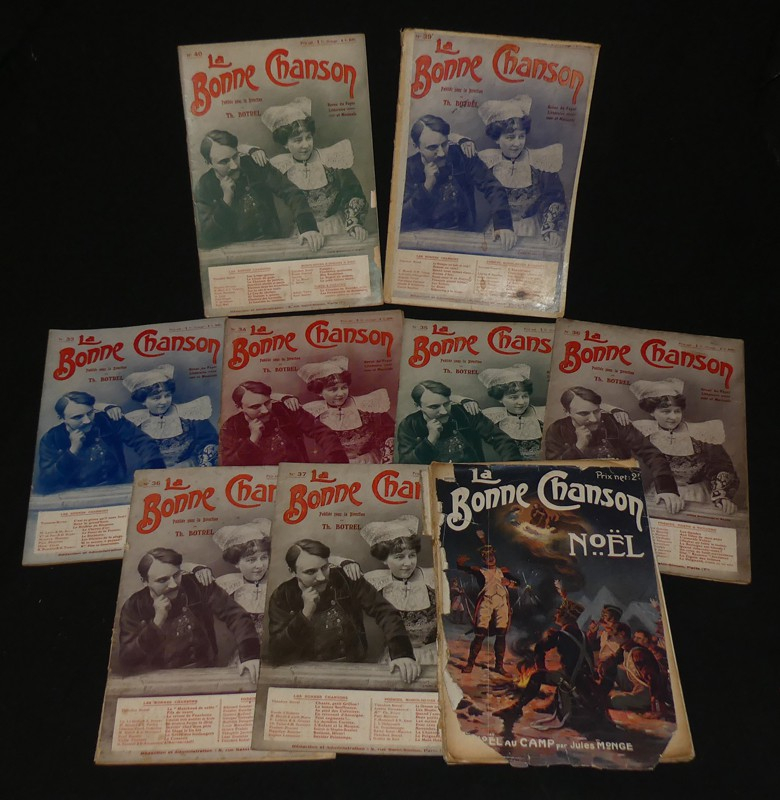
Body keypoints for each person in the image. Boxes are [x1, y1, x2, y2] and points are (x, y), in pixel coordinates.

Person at [266, 538, 421, 684]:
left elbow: (385, 612)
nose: (321, 577)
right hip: (305, 674)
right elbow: (276, 653)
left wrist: (402, 653)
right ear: (292, 571)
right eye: (310, 572)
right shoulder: (282, 596)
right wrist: (305, 614)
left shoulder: (347, 579)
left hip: (354, 668)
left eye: (325, 568)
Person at [118, 547, 260, 683]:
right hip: (156, 679)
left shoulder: (198, 585)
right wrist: (156, 623)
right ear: (144, 582)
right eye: (162, 580)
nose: (173, 585)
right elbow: (127, 659)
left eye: (176, 575)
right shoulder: (134, 606)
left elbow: (236, 615)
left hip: (205, 671)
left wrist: (250, 655)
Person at [544, 386, 683, 513]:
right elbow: (552, 471)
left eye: (596, 411)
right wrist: (579, 447)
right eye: (584, 414)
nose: (594, 419)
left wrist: (667, 489)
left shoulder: (616, 423)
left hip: (620, 496)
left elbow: (652, 454)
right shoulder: (557, 430)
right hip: (576, 497)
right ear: (567, 412)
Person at [247, 96, 369, 240]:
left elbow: (353, 191)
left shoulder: (331, 159)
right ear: (285, 144)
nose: (305, 145)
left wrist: (354, 223)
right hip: (303, 231)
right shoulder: (280, 166)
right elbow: (241, 158)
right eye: (298, 140)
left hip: (337, 228)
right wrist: (252, 150)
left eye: (308, 138)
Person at [193, 129, 324, 251]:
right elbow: (208, 238)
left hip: (272, 244)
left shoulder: (254, 165)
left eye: (235, 156)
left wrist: (308, 228)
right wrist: (226, 201)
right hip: (234, 253)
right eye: (224, 162)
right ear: (208, 163)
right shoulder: (204, 186)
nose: (234, 166)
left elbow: (291, 192)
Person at [401, 114, 517, 249]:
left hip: (464, 237)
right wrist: (427, 187)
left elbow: (493, 187)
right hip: (423, 241)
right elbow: (401, 218)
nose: (442, 153)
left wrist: (503, 224)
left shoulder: (463, 156)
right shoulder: (408, 168)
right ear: (416, 146)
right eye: (432, 148)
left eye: (444, 144)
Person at [628, 378, 739, 513]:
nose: (673, 417)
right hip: (661, 492)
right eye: (666, 411)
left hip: (697, 495)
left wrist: (721, 495)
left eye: (677, 411)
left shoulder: (701, 434)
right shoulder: (644, 432)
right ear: (652, 412)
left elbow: (721, 466)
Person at [469, 95, 568, 244]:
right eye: (510, 137)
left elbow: (554, 197)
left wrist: (550, 228)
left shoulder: (540, 162)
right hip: (499, 228)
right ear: (497, 138)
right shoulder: (487, 161)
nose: (517, 143)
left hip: (531, 230)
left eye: (521, 136)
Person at [36, 390, 165, 494]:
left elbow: (143, 442)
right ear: (62, 419)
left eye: (90, 413)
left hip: (115, 489)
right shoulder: (51, 438)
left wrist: (152, 474)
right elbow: (45, 482)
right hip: (74, 496)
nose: (87, 421)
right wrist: (72, 451)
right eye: (77, 417)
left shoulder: (109, 421)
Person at [282, 356, 395, 464]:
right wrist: (286, 398)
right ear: (319, 392)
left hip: (369, 462)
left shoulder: (368, 407)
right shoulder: (312, 412)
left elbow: (389, 435)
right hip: (335, 464)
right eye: (333, 389)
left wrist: (387, 460)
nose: (340, 393)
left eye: (344, 387)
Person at [360, 515, 438, 665]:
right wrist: (345, 563)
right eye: (399, 557)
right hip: (395, 657)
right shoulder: (374, 581)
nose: (408, 563)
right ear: (384, 559)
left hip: (432, 657)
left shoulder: (433, 578)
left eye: (412, 555)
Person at [219, 380, 349, 466]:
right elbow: (229, 466)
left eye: (267, 403)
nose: (265, 410)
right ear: (239, 408)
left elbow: (323, 433)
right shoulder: (230, 427)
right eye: (255, 407)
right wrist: (253, 440)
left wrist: (337, 462)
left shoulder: (286, 410)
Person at [395, 379, 523, 464]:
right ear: (418, 406)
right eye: (434, 407)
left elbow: (502, 441)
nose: (444, 411)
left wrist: (512, 469)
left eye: (447, 404)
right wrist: (430, 440)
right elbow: (406, 464)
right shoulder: (409, 425)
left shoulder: (466, 413)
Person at [121, 364, 218, 468]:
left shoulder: (191, 415)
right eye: (156, 398)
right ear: (143, 401)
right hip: (153, 473)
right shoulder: (136, 421)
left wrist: (189, 463)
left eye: (167, 395)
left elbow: (210, 443)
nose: (164, 401)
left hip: (189, 470)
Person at [455, 532, 522, 676]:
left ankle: (499, 666)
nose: (490, 558)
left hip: (502, 603)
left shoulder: (503, 571)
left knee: (501, 635)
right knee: (480, 634)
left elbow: (518, 583)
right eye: (486, 557)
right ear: (483, 559)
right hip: (486, 602)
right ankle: (470, 664)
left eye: (491, 555)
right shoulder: (480, 571)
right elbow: (463, 568)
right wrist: (459, 564)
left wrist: (509, 583)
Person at [477, 363, 545, 460]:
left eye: (525, 396)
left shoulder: (543, 413)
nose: (521, 402)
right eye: (514, 397)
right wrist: (466, 401)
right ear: (500, 399)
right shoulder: (491, 416)